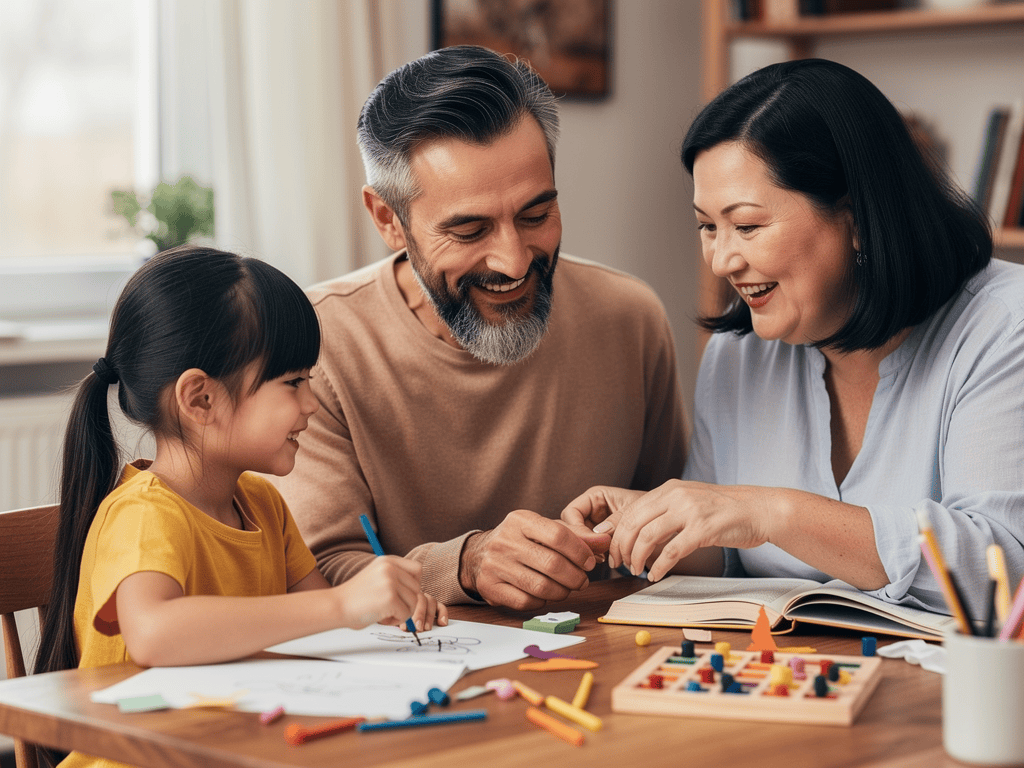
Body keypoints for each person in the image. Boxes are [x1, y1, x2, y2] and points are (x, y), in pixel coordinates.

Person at [563, 59, 1024, 620]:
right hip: (788, 681)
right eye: (708, 226)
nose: (722, 259)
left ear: (855, 218)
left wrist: (771, 511)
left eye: (748, 225)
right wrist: (650, 525)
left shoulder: (1004, 326)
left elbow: (1002, 571)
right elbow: (733, 555)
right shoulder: (739, 353)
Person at [274, 45, 687, 611]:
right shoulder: (314, 344)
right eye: (469, 231)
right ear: (388, 220)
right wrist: (462, 566)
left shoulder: (631, 317)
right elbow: (320, 573)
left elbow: (680, 535)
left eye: (536, 215)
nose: (514, 262)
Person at [33, 246, 445, 768]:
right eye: (293, 383)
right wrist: (343, 606)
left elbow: (318, 622)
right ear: (201, 399)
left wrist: (379, 608)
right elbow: (155, 633)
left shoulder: (262, 505)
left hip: (230, 749)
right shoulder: (143, 515)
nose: (312, 404)